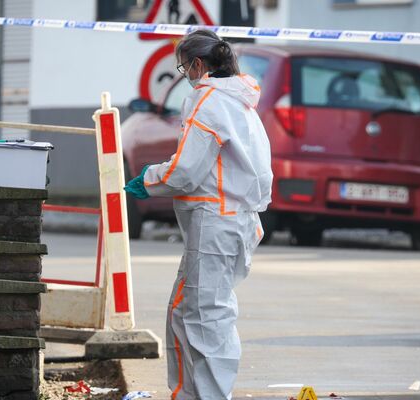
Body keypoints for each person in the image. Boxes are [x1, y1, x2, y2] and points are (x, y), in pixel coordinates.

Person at [124, 30, 272, 400]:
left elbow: (187, 171)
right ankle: (189, 394)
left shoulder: (208, 101)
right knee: (185, 312)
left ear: (198, 64)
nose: (185, 75)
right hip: (232, 220)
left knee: (207, 320)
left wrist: (149, 178)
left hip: (215, 222)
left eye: (183, 67)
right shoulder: (240, 101)